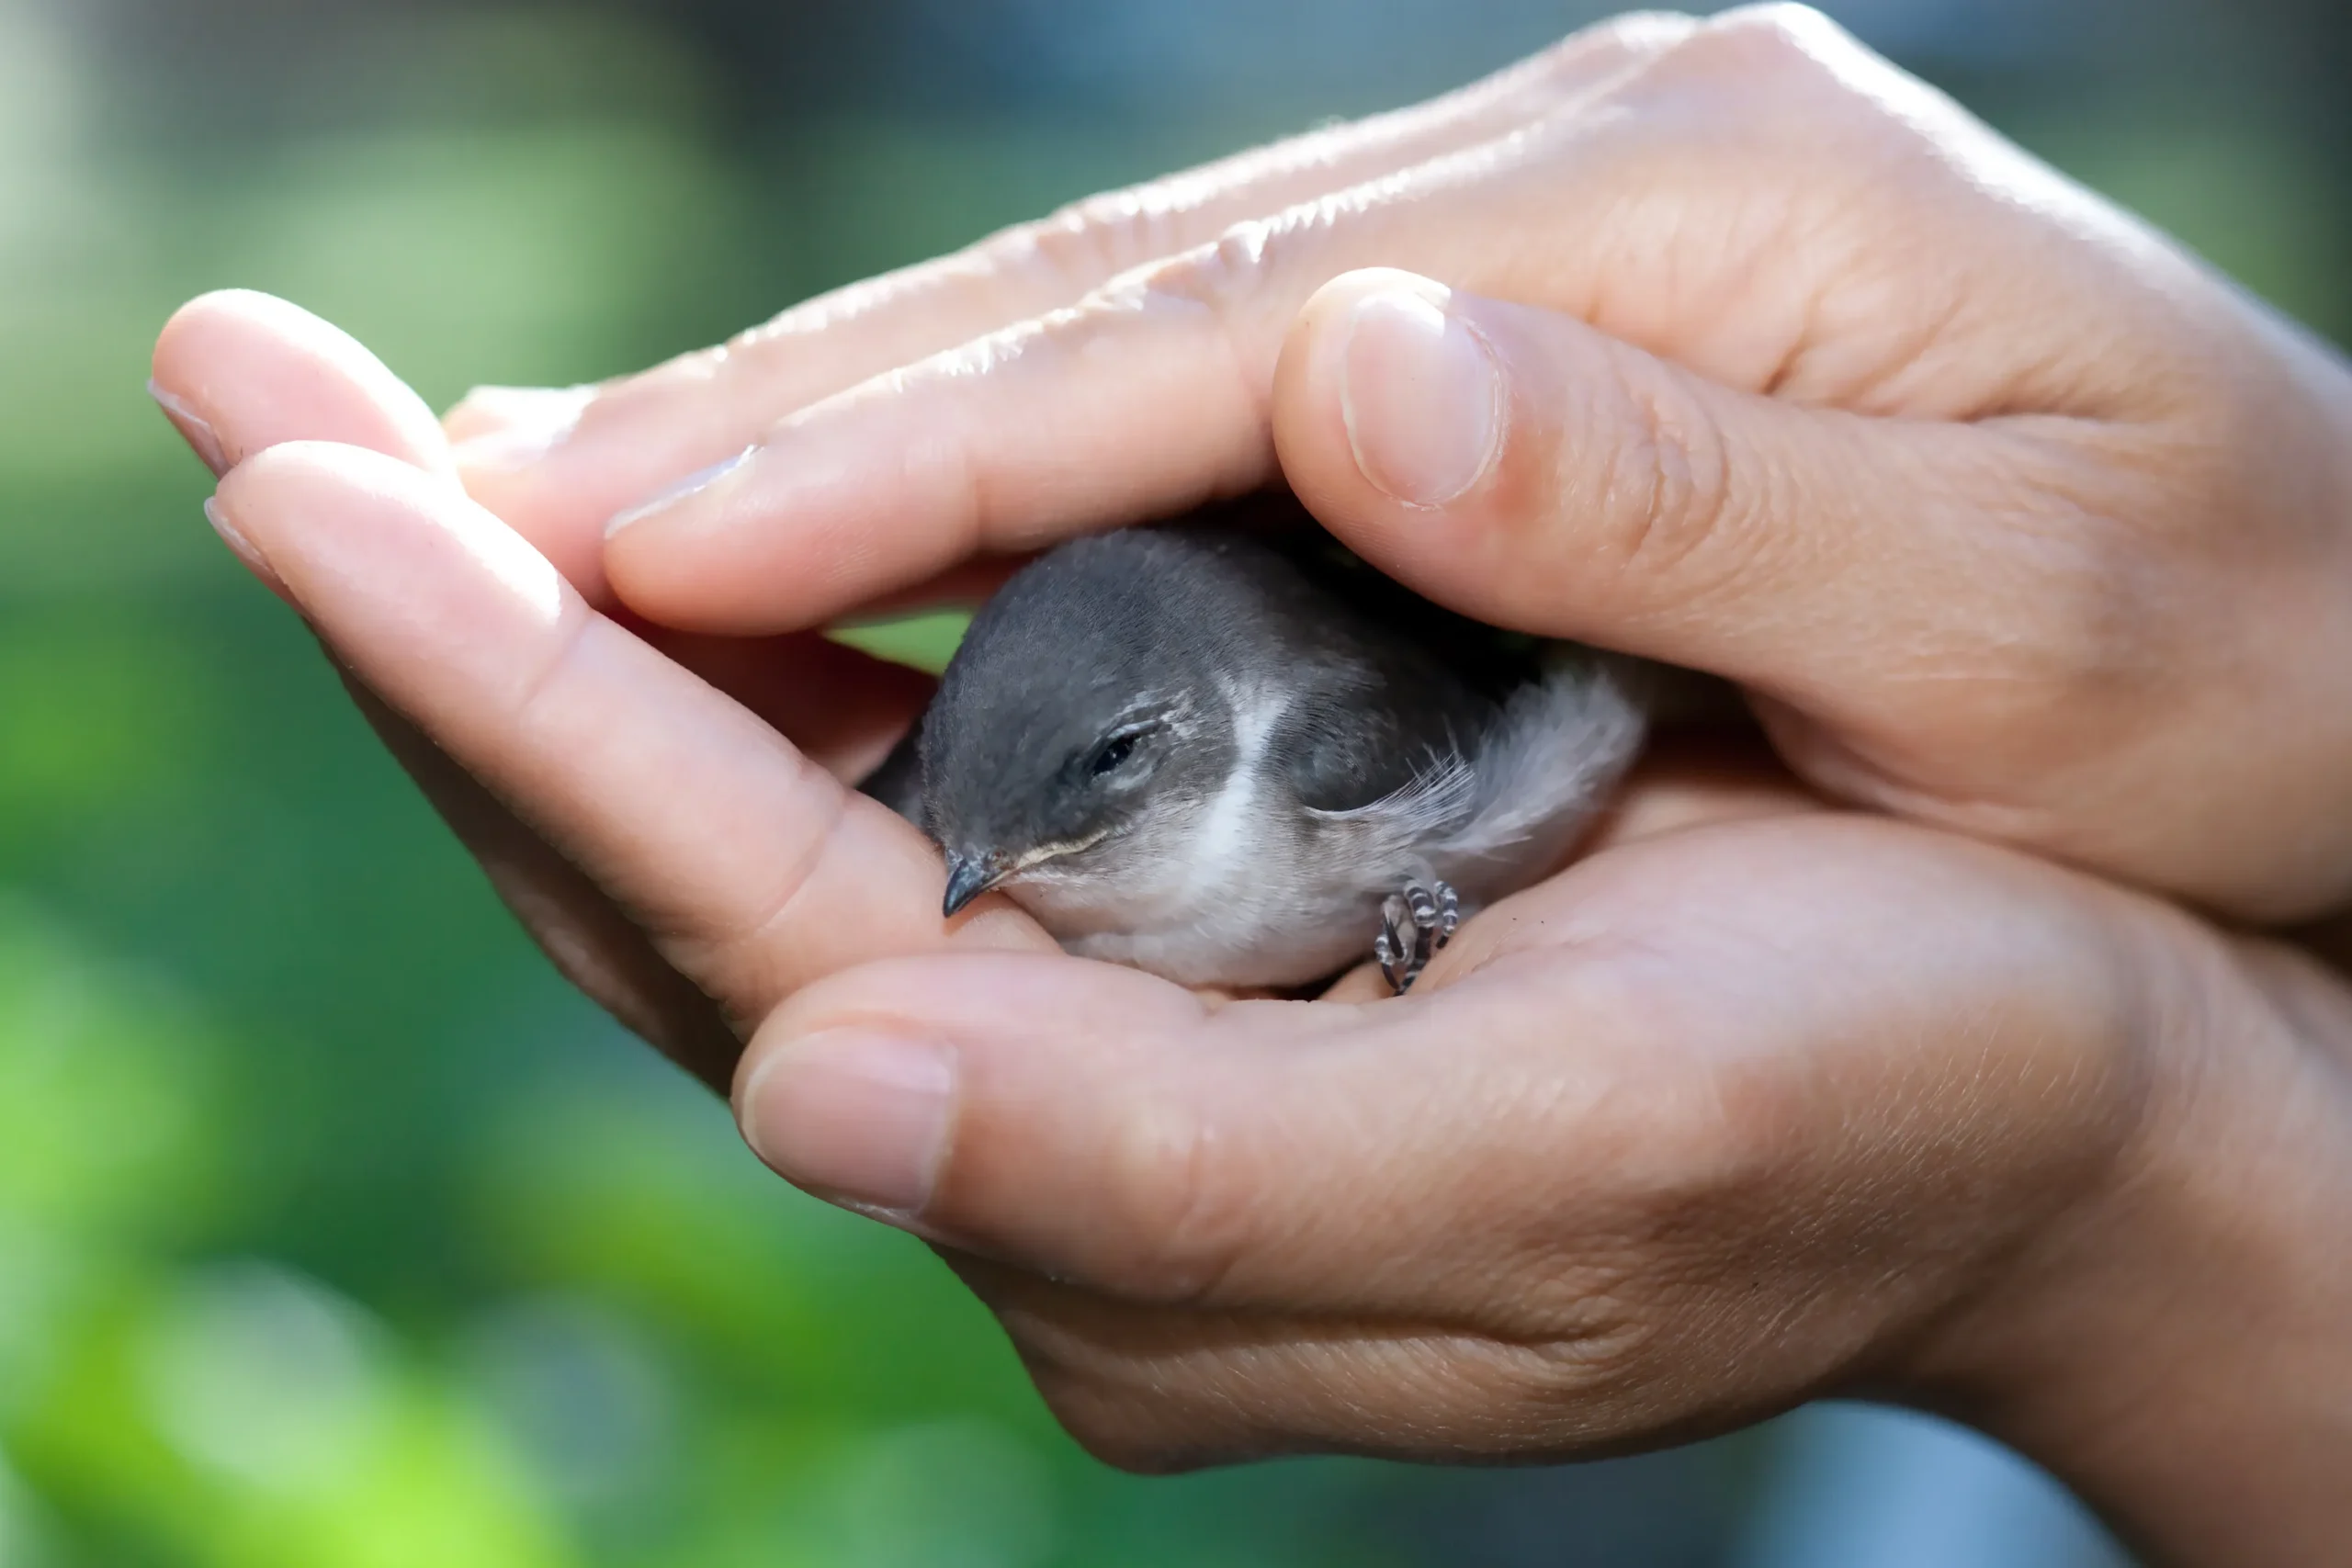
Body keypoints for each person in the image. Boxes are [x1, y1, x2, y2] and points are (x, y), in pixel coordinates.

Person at [149, 7, 2351, 1561]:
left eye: (1071, 805)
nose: (980, 871)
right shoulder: (969, 806)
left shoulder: (1340, 747)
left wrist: (2144, 1187)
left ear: (1196, 746)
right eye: (968, 824)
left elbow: (1549, 703)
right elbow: (982, 799)